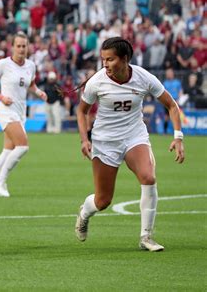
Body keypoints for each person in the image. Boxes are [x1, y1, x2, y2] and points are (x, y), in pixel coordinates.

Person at [74, 37, 185, 251]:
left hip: (135, 136)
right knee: (103, 200)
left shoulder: (144, 78)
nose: (105, 64)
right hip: (106, 141)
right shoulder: (97, 81)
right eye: (103, 59)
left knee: (148, 177)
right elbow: (81, 111)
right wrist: (84, 139)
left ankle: (146, 237)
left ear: (125, 59)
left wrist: (178, 136)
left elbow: (171, 105)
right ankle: (84, 213)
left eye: (110, 59)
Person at [0, 31, 47, 197]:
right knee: (23, 146)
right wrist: (0, 97)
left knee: (7, 150)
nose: (21, 49)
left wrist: (38, 92)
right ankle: (1, 182)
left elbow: (31, 84)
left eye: (24, 46)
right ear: (12, 47)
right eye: (18, 46)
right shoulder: (3, 64)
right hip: (6, 111)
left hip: (20, 112)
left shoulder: (31, 66)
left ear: (28, 47)